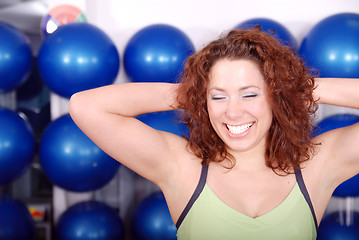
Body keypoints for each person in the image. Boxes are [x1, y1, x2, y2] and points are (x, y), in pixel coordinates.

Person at [69, 26, 359, 239]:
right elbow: (84, 106)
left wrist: (297, 88)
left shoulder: (316, 165)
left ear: (275, 97)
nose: (232, 112)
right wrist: (194, 92)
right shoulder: (181, 167)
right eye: (218, 97)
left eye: (249, 95)